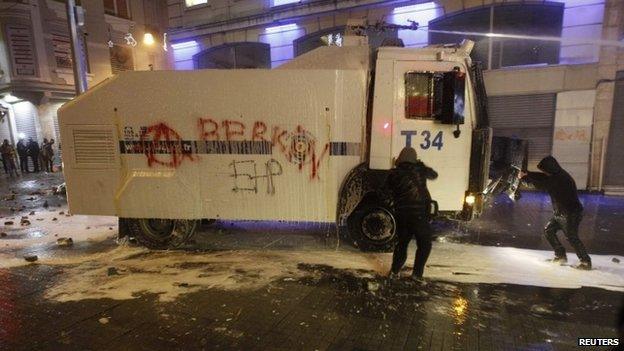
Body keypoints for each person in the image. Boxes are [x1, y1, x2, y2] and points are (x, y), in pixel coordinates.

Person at [520, 156, 591, 270]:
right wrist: (527, 173)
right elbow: (542, 177)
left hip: (570, 213)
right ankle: (560, 255)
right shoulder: (557, 174)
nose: (544, 173)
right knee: (549, 230)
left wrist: (524, 179)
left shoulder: (560, 179)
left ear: (550, 168)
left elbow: (540, 185)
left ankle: (586, 262)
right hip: (560, 213)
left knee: (572, 237)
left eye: (545, 170)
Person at [386, 146, 438, 281]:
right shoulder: (420, 170)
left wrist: (394, 201)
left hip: (403, 215)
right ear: (414, 159)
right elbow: (434, 175)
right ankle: (417, 274)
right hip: (420, 214)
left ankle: (394, 271)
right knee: (425, 244)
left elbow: (383, 193)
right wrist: (420, 164)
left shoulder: (394, 173)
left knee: (402, 244)